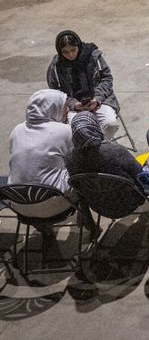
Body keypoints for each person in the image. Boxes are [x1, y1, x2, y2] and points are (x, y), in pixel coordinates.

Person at [7, 89, 100, 236]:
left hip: (18, 205)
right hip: (55, 204)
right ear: (52, 109)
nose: (67, 112)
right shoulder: (64, 131)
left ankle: (44, 230)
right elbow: (82, 158)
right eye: (64, 108)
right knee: (81, 172)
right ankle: (89, 224)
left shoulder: (16, 131)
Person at [46, 30, 120, 140]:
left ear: (78, 46)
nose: (70, 55)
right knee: (77, 130)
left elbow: (107, 78)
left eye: (73, 50)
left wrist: (97, 98)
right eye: (65, 52)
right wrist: (74, 104)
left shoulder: (93, 56)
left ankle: (101, 148)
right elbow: (55, 92)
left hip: (101, 101)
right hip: (74, 107)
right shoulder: (56, 66)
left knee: (110, 124)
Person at [67, 112, 141, 180]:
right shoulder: (116, 151)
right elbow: (139, 172)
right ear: (95, 127)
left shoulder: (70, 158)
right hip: (129, 193)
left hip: (94, 194)